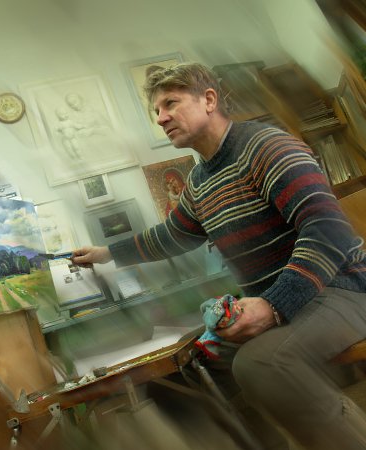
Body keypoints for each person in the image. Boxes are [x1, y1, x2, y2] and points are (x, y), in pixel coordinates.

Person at [72, 62, 366, 449]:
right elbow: (171, 235)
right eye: (156, 110)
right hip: (285, 302)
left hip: (341, 288)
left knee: (262, 364)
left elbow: (328, 228)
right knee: (188, 371)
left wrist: (274, 306)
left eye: (170, 103)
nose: (160, 118)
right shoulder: (199, 181)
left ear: (208, 100)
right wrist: (106, 253)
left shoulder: (265, 146)